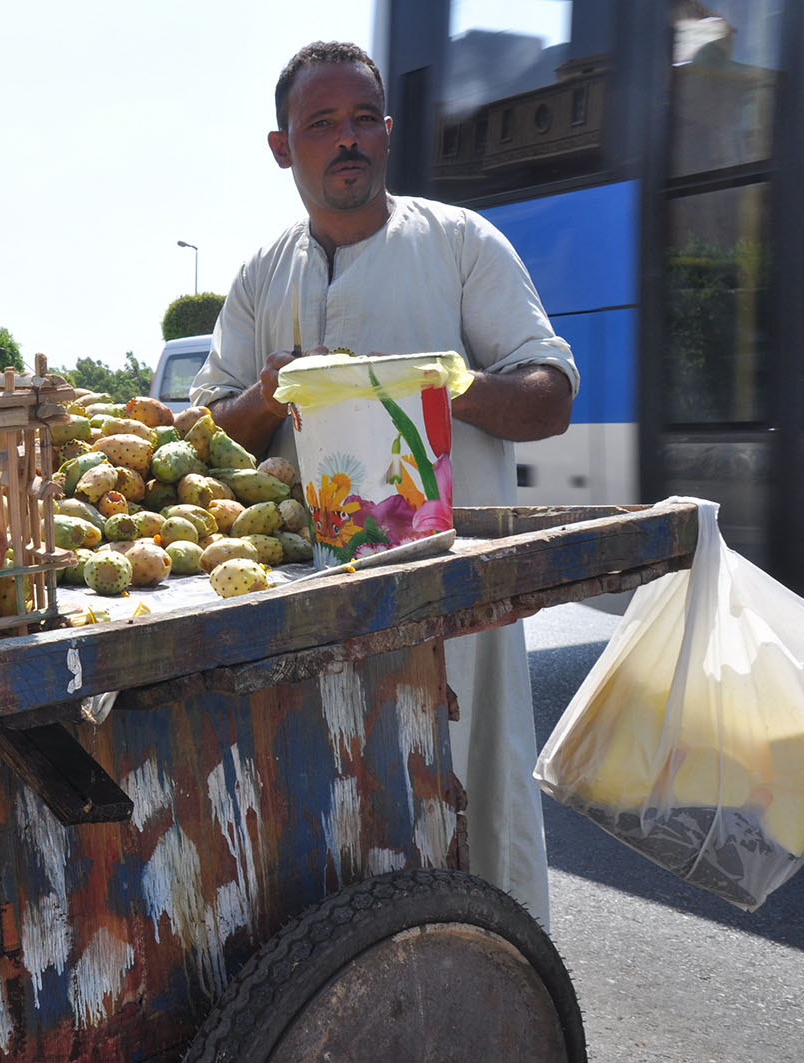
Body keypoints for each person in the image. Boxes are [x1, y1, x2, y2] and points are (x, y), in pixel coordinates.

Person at [189, 41, 578, 927]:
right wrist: (271, 390)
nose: (347, 140)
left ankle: (502, 983)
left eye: (364, 118)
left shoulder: (459, 244)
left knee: (472, 794)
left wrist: (449, 384)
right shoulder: (259, 279)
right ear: (284, 148)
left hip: (454, 603)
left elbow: (550, 394)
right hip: (304, 606)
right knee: (322, 819)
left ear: (389, 132)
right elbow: (210, 428)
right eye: (321, 125)